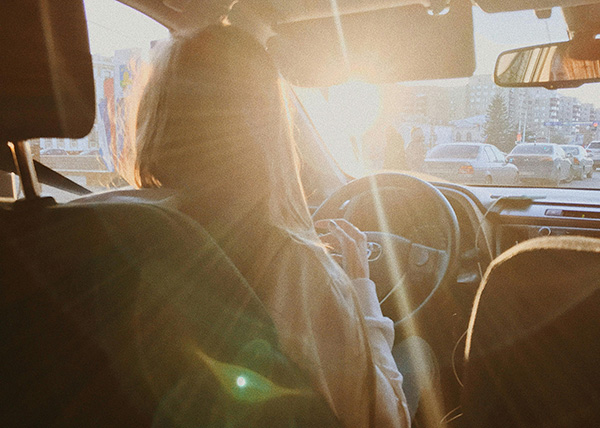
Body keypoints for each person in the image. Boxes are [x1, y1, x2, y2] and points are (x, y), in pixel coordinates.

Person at [122, 24, 412, 427]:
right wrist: (361, 290)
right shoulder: (296, 269)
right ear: (269, 126)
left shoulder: (105, 224)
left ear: (154, 114)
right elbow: (389, 422)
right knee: (417, 358)